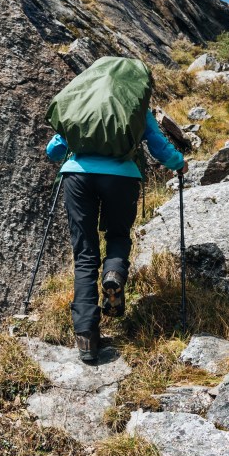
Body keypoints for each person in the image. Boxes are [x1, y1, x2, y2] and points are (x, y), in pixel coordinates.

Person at [46, 109, 186, 363]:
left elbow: (54, 150)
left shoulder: (84, 101)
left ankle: (86, 336)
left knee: (85, 254)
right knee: (118, 236)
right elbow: (157, 144)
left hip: (77, 176)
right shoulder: (135, 103)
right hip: (122, 177)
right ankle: (113, 274)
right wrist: (179, 163)